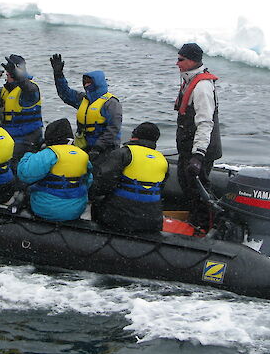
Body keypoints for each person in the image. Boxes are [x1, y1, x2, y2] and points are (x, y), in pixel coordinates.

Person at [174, 43, 222, 230]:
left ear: (192, 61)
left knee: (197, 188)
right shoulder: (188, 80)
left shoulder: (202, 87)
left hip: (200, 150)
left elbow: (205, 123)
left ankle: (205, 226)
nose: (177, 63)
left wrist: (198, 155)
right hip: (188, 148)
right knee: (185, 184)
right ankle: (195, 220)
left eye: (181, 60)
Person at [90, 123, 168, 234]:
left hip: (120, 219)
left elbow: (102, 185)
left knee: (98, 201)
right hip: (153, 221)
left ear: (134, 135)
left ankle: (97, 234)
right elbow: (160, 190)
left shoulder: (123, 153)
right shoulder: (163, 160)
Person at [50, 53, 122, 164]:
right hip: (84, 147)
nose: (86, 84)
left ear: (98, 82)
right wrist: (58, 74)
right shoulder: (83, 99)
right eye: (84, 82)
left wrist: (98, 148)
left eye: (89, 82)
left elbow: (113, 129)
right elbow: (64, 93)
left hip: (106, 149)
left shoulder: (111, 103)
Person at [18, 118, 92, 222]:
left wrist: (29, 153)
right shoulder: (83, 155)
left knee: (26, 191)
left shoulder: (50, 154)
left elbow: (24, 175)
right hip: (77, 210)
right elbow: (88, 181)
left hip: (47, 209)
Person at [0, 54, 43, 167]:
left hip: (27, 138)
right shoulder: (5, 90)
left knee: (13, 160)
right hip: (8, 136)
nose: (7, 74)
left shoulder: (31, 89)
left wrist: (17, 75)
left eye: (10, 72)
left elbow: (28, 88)